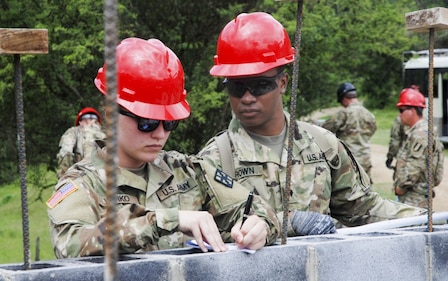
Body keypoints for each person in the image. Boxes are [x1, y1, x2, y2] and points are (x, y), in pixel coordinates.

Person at [47, 37, 279, 259]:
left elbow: (256, 208)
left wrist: (258, 227)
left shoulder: (188, 171)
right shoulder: (83, 184)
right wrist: (166, 220)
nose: (159, 134)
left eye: (169, 122)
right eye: (146, 122)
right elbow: (70, 244)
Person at [197, 12, 426, 236]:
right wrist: (284, 224)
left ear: (283, 82)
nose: (247, 97)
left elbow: (362, 209)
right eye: (237, 87)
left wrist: (426, 219)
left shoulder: (322, 144)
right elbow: (198, 236)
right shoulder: (214, 161)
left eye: (259, 85)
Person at [394, 88, 444, 207]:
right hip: (417, 194)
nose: (399, 114)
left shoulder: (420, 134)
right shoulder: (421, 129)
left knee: (411, 225)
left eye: (402, 110)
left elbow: (414, 168)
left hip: (414, 197)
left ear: (412, 110)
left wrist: (401, 188)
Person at [320, 82, 377, 180]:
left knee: (349, 191)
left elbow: (325, 129)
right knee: (366, 188)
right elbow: (372, 130)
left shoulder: (343, 114)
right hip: (365, 159)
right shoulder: (369, 115)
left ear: (344, 98)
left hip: (349, 160)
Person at [56, 107, 106, 178]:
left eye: (94, 117)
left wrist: (66, 174)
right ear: (80, 122)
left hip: (80, 177)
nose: (92, 120)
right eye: (87, 117)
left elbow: (65, 153)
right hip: (104, 178)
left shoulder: (73, 131)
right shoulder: (106, 135)